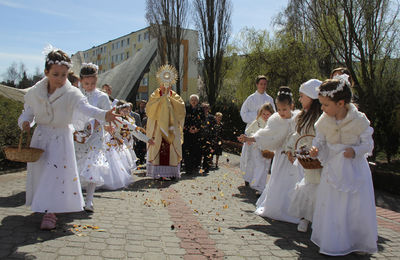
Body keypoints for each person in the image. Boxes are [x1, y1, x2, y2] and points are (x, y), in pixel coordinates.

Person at [18, 47, 119, 230]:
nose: (60, 79)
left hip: (61, 138)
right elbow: (28, 113)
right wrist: (25, 122)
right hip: (40, 137)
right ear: (46, 72)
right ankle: (43, 205)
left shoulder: (71, 93)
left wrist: (105, 115)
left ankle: (51, 213)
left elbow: (86, 108)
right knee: (41, 173)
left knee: (55, 174)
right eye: (55, 74)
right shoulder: (35, 93)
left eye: (64, 75)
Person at [309, 75, 377, 256]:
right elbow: (320, 139)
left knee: (354, 206)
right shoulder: (324, 120)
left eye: (325, 105)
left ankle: (356, 240)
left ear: (340, 103)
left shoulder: (359, 120)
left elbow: (368, 145)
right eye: (321, 104)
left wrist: (355, 151)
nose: (322, 109)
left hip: (353, 169)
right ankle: (333, 240)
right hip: (333, 169)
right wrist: (316, 148)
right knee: (333, 205)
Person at [238, 87, 301, 224]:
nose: (281, 113)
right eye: (279, 109)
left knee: (293, 181)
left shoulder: (298, 119)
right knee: (278, 180)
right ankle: (276, 207)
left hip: (294, 158)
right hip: (281, 156)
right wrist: (250, 138)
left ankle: (293, 209)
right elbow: (266, 133)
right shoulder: (275, 120)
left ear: (292, 106)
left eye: (284, 110)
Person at [73, 63, 112, 212]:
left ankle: (89, 200)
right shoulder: (76, 94)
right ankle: (77, 198)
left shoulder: (102, 96)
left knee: (92, 167)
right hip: (79, 136)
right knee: (77, 166)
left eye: (93, 83)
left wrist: (99, 122)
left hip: (95, 136)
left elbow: (106, 114)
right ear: (81, 81)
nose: (89, 86)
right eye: (86, 83)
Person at [286, 79, 322, 232]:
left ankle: (318, 219)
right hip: (307, 159)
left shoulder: (320, 117)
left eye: (302, 96)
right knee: (309, 187)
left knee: (318, 189)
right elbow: (297, 135)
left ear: (312, 97)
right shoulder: (304, 116)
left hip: (319, 158)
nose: (299, 99)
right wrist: (290, 148)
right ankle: (305, 217)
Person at [146, 83, 185, 180]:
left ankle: (171, 174)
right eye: (163, 85)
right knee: (158, 147)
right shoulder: (155, 94)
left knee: (171, 149)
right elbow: (150, 109)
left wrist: (169, 100)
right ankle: (158, 174)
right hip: (158, 128)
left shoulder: (175, 96)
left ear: (171, 86)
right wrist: (162, 100)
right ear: (160, 85)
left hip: (171, 127)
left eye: (168, 85)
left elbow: (181, 108)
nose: (166, 87)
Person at [240, 103, 274, 192]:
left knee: (265, 167)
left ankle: (260, 186)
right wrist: (250, 138)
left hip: (267, 148)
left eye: (268, 114)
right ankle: (254, 182)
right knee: (258, 165)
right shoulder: (257, 122)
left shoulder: (272, 123)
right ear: (260, 113)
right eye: (264, 114)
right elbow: (249, 131)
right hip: (256, 147)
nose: (265, 116)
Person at [183, 94, 204, 174]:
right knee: (187, 151)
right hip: (188, 133)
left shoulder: (200, 109)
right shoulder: (186, 108)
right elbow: (183, 119)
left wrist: (197, 128)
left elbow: (203, 120)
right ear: (190, 101)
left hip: (197, 134)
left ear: (197, 101)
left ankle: (195, 167)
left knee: (196, 150)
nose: (193, 101)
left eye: (195, 100)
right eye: (192, 100)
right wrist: (188, 128)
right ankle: (188, 168)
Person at [200, 102, 216, 173]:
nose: (205, 109)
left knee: (207, 153)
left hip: (208, 138)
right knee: (199, 152)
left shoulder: (211, 117)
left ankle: (206, 167)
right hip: (199, 137)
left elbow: (214, 128)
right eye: (203, 107)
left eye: (206, 108)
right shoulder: (199, 116)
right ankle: (197, 166)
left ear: (209, 109)